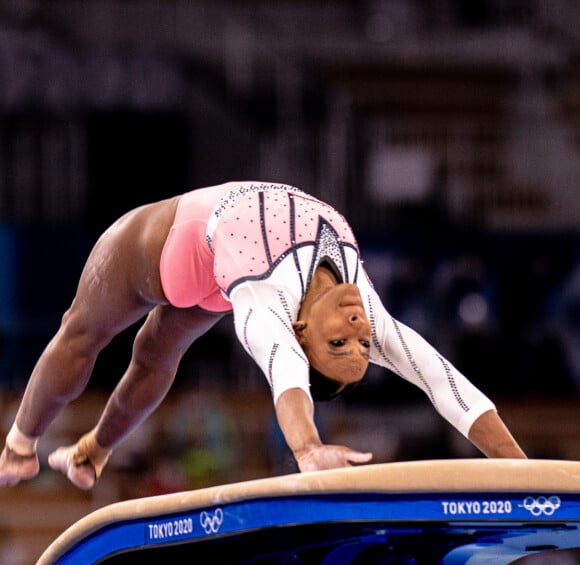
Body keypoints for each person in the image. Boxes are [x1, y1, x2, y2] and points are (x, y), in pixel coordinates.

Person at [0, 181, 526, 490]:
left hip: (189, 260)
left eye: (338, 345)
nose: (356, 329)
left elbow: (286, 373)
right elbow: (444, 382)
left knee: (155, 355)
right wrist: (521, 469)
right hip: (175, 246)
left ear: (298, 331)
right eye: (360, 343)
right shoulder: (366, 308)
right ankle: (21, 446)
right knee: (83, 334)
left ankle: (88, 449)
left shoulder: (266, 307)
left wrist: (307, 448)